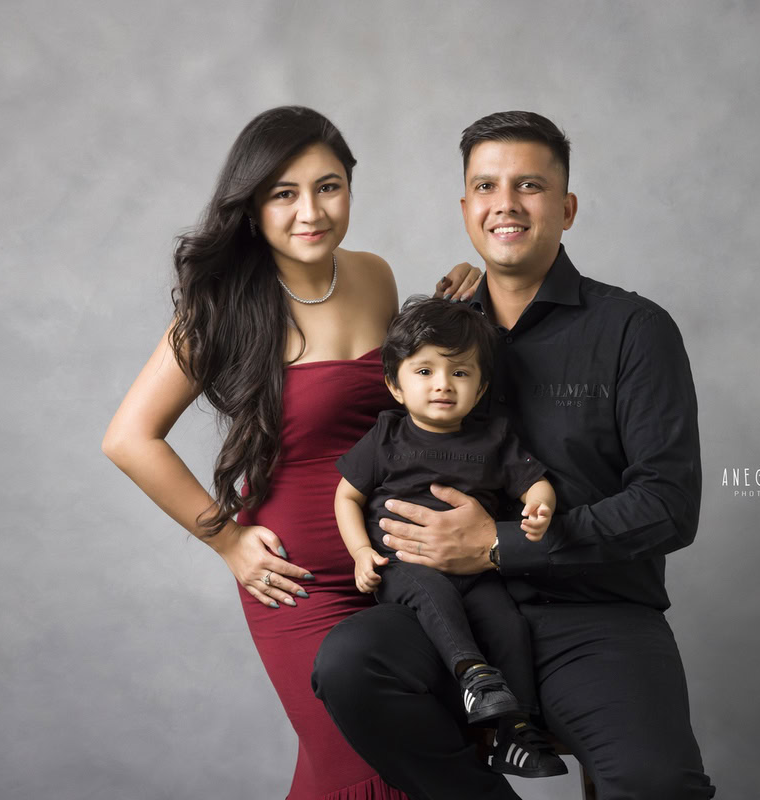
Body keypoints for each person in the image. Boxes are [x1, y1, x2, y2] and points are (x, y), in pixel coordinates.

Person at [312, 111, 717, 799]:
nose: (505, 203)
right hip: (451, 614)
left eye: (528, 185)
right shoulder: (438, 334)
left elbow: (669, 508)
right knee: (352, 663)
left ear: (566, 208)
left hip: (593, 616)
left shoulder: (633, 331)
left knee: (658, 785)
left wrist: (498, 545)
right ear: (467, 208)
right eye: (486, 186)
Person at [101, 105, 480, 800]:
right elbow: (128, 438)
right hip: (300, 583)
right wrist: (228, 542)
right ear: (252, 206)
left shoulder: (374, 276)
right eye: (284, 193)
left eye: (328, 186)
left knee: (405, 758)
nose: (311, 210)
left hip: (396, 569)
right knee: (374, 768)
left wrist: (450, 320)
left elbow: (399, 404)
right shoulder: (222, 309)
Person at [334, 297, 567, 779]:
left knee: (507, 623)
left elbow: (533, 481)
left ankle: (516, 729)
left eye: (460, 374)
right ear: (395, 386)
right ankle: (473, 676)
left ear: (481, 387)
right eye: (424, 372)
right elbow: (347, 497)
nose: (442, 384)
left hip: (477, 569)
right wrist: (360, 552)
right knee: (433, 593)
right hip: (404, 566)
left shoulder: (494, 438)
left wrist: (540, 506)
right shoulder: (386, 437)